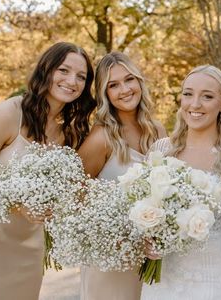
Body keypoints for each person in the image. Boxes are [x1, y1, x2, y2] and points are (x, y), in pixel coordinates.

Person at [0, 42, 96, 300]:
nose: (72, 81)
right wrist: (18, 206)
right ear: (46, 69)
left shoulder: (69, 133)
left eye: (81, 77)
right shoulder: (8, 114)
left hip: (27, 245)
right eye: (63, 70)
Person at [140, 65, 221, 300]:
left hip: (216, 279)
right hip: (165, 279)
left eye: (207, 96)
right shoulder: (160, 151)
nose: (195, 104)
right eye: (188, 94)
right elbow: (142, 210)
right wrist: (146, 241)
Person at [77, 51, 166, 300]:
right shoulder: (101, 138)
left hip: (151, 254)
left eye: (129, 80)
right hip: (111, 258)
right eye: (113, 85)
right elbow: (75, 198)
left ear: (139, 81)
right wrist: (111, 233)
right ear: (105, 94)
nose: (124, 90)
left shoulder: (157, 130)